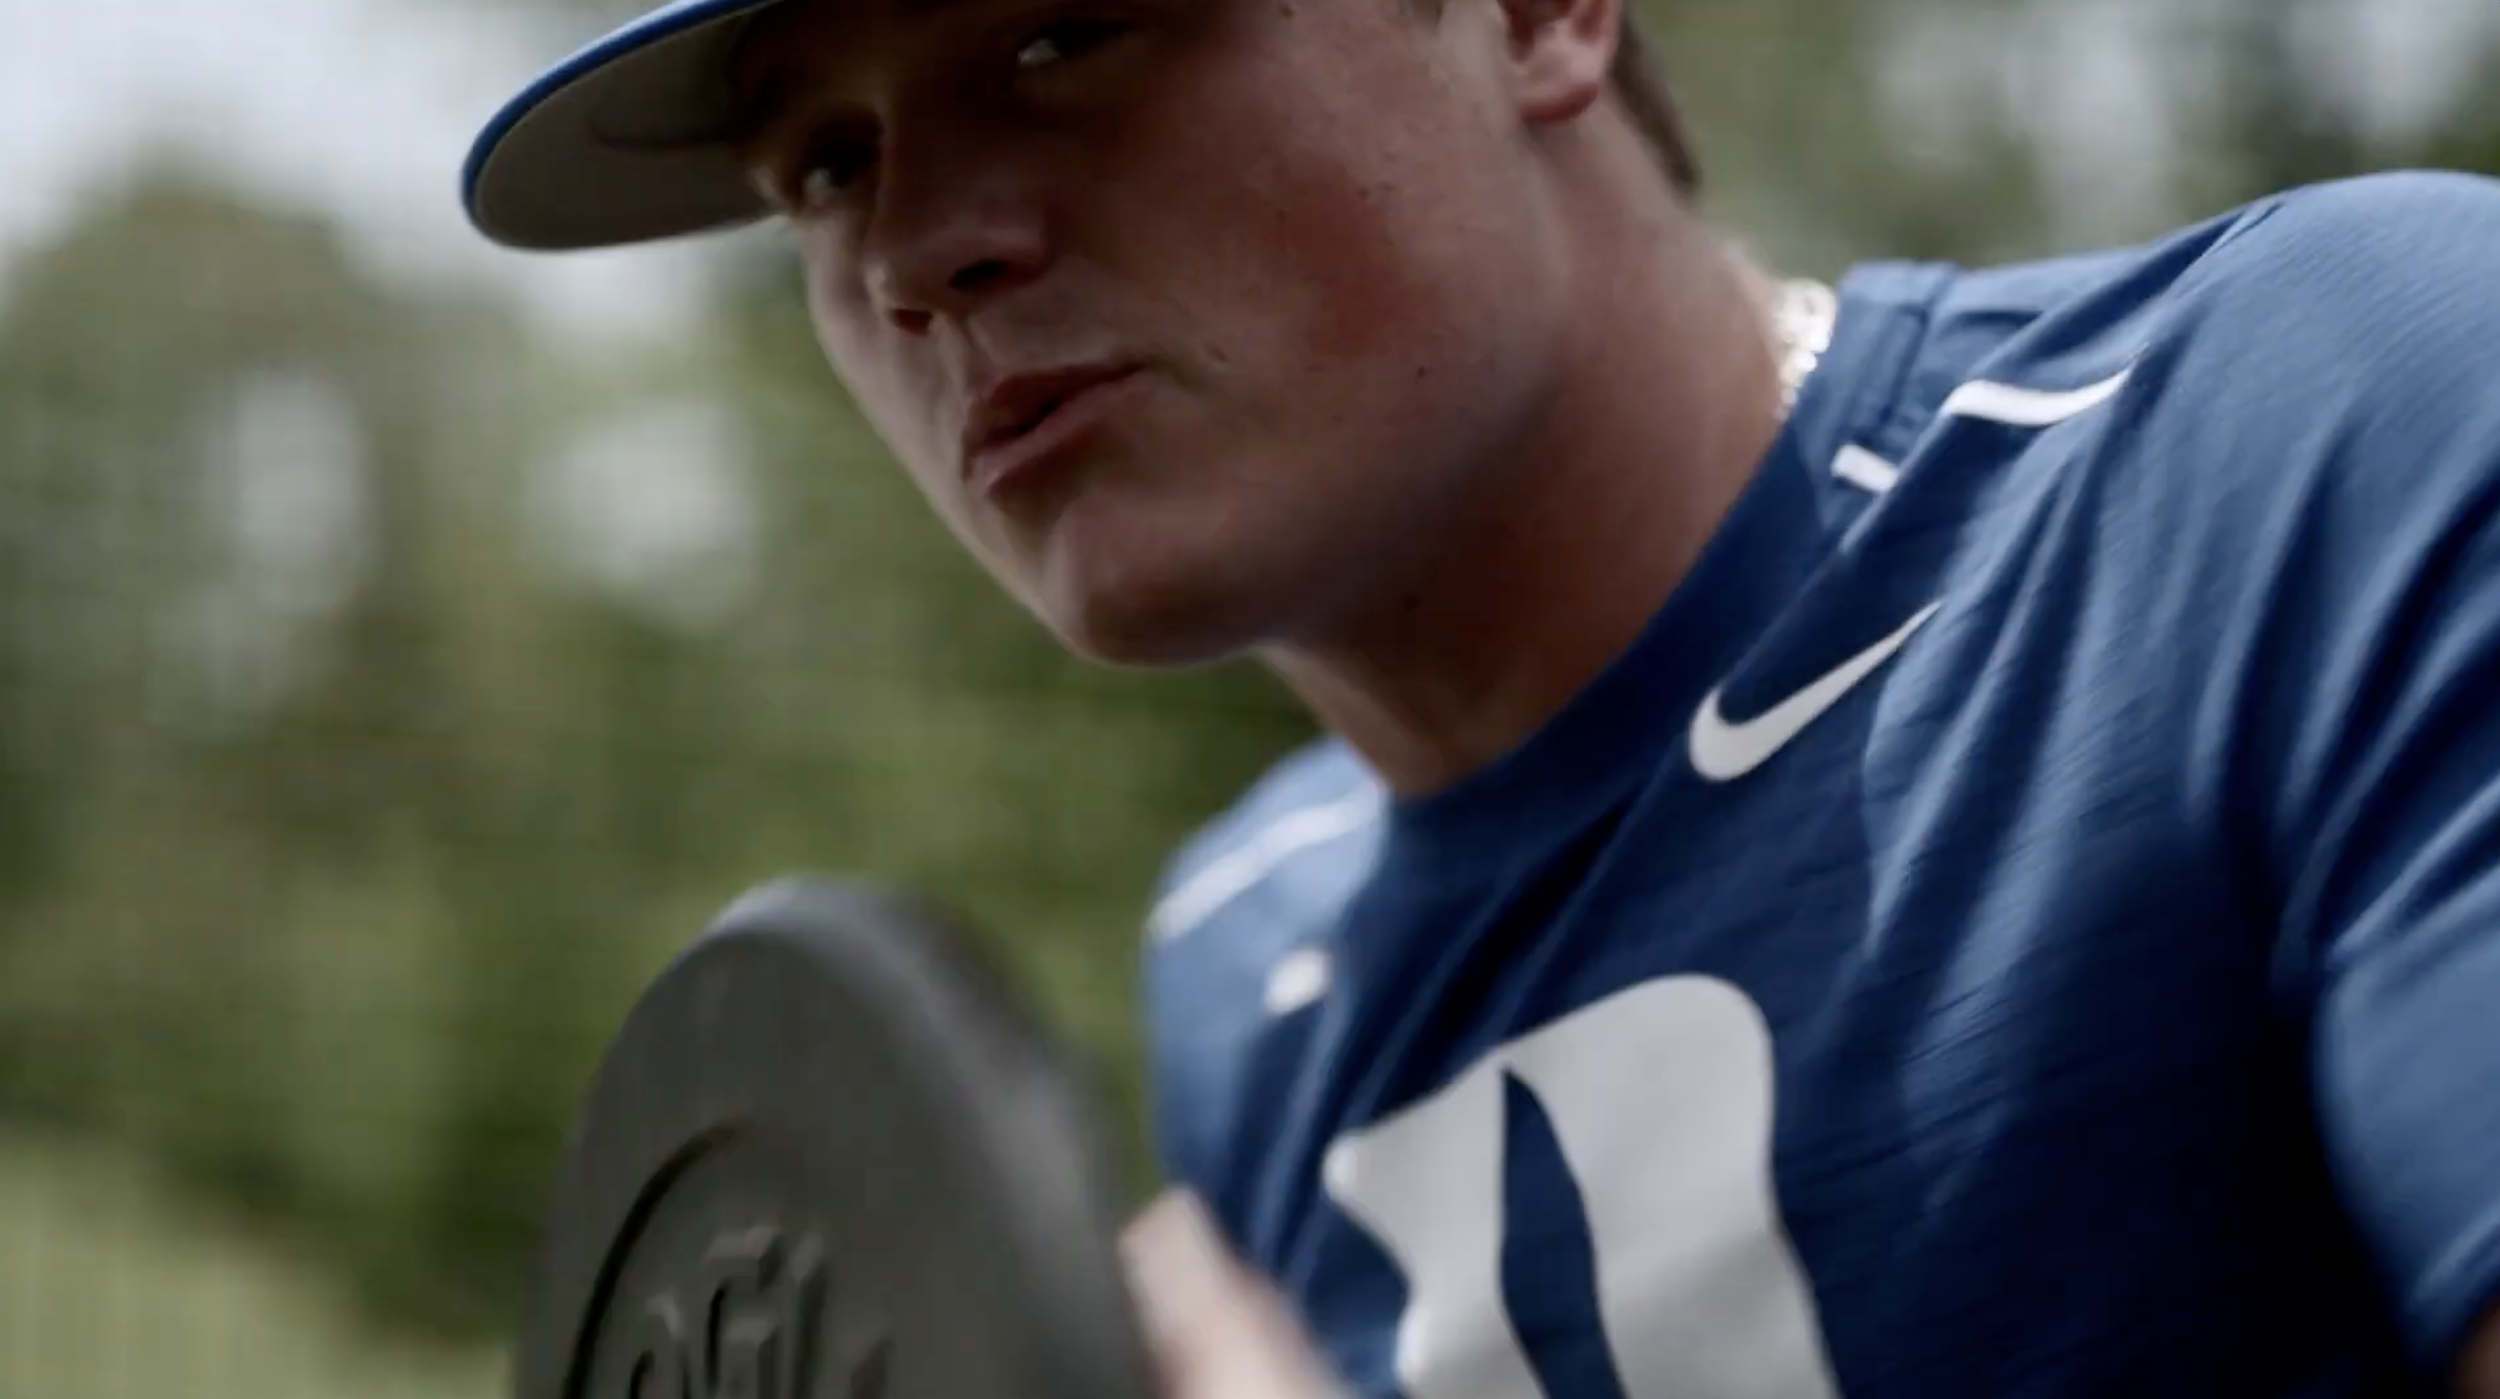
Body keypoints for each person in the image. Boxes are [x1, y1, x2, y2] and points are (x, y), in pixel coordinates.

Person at [460, 0, 2500, 1391]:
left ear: (1536, 14)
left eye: (1063, 32)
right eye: (826, 163)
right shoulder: (1244, 970)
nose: (917, 250)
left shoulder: (2324, 433)